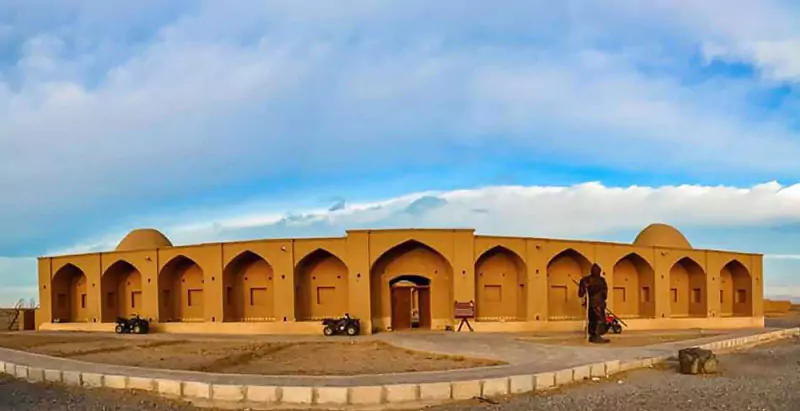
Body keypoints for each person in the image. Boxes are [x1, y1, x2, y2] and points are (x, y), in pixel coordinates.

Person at [578, 263, 609, 343]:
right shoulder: (585, 280)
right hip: (592, 303)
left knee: (599, 320)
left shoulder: (602, 280)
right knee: (596, 320)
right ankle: (595, 335)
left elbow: (605, 292)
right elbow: (580, 294)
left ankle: (595, 335)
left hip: (600, 303)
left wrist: (603, 297)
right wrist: (585, 287)